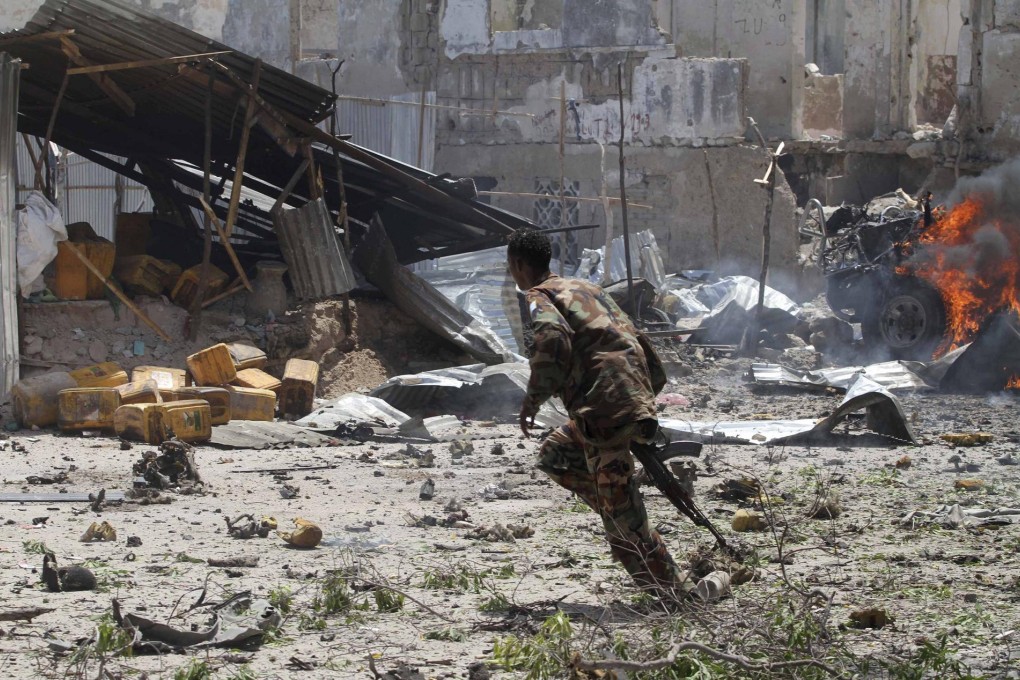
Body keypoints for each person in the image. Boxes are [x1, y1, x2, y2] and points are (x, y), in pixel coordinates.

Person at [507, 228, 691, 602]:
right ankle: (619, 502)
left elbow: (552, 341)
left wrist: (533, 399)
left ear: (518, 265)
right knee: (556, 455)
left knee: (624, 531)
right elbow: (638, 339)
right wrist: (641, 399)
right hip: (623, 401)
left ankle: (676, 595)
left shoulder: (538, 296)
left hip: (604, 410)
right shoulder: (586, 288)